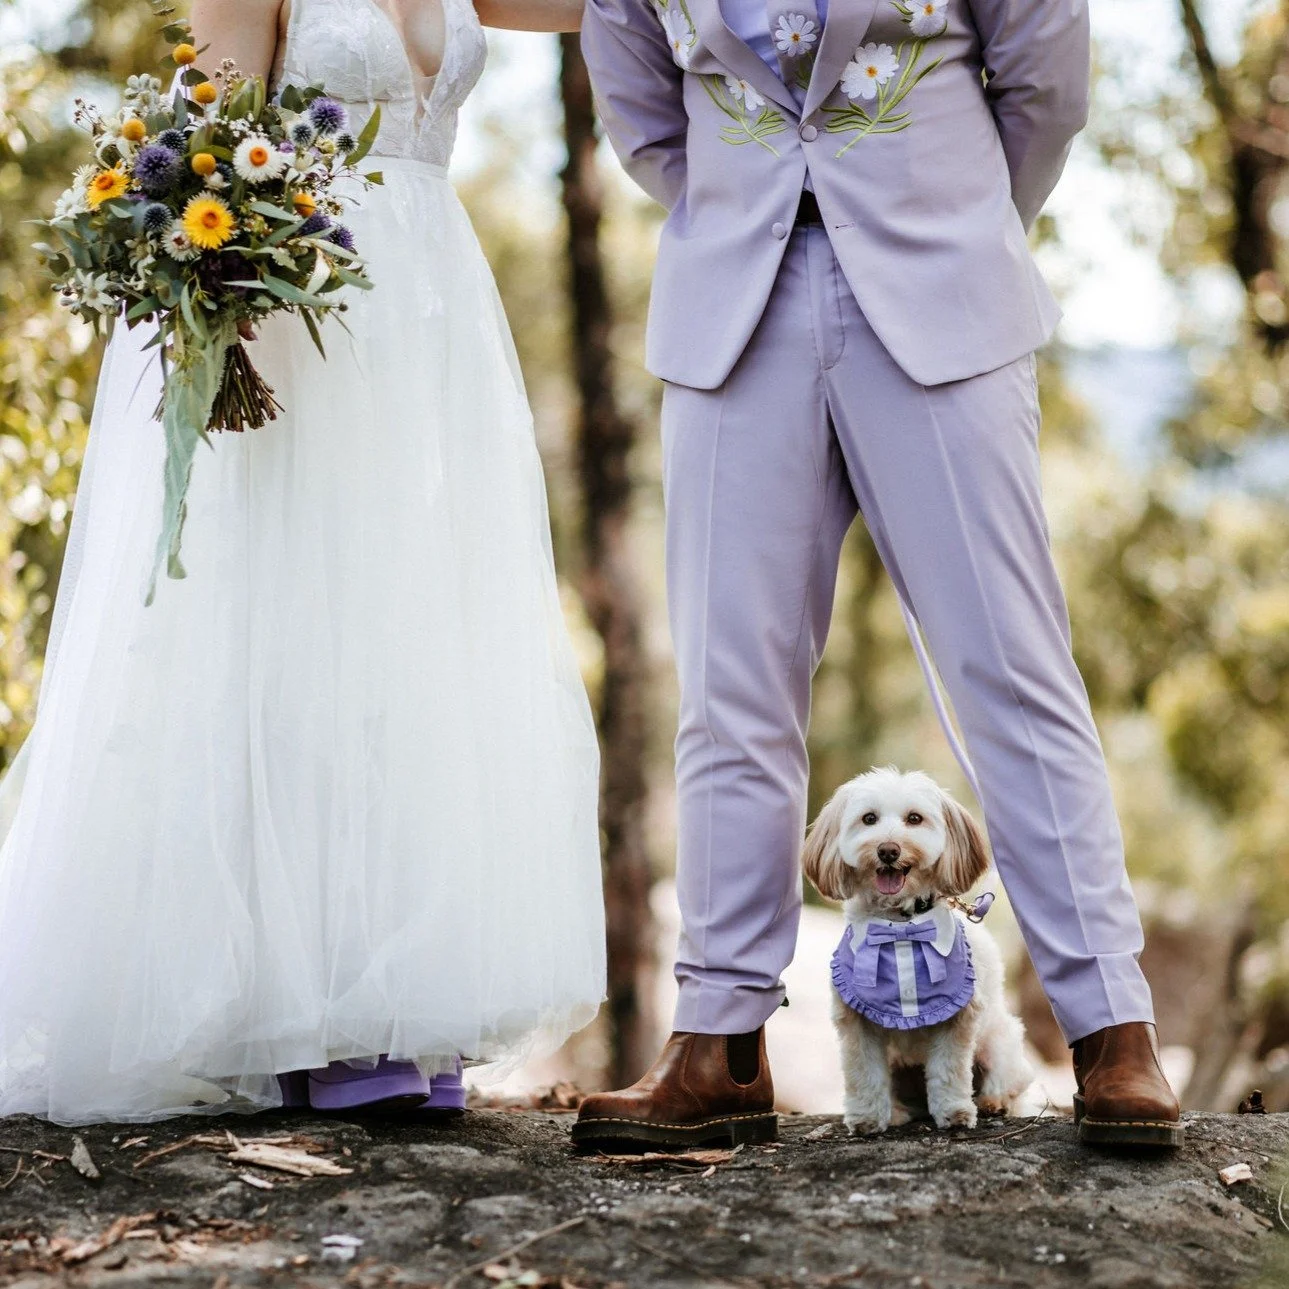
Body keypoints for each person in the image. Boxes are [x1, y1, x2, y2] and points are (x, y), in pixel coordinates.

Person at [573, 0, 1184, 1150]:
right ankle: (716, 1042)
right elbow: (643, 113)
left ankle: (1111, 1028)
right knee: (728, 691)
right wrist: (745, 209)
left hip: (940, 292)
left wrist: (948, 218)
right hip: (731, 309)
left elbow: (1043, 85)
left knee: (1009, 668)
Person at [0, 0, 605, 1126]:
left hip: (434, 324)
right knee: (303, 633)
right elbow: (202, 156)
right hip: (307, 318)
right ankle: (308, 1006)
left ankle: (400, 998)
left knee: (417, 637)